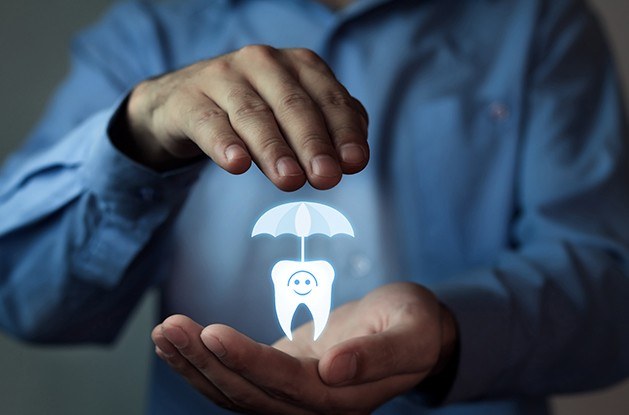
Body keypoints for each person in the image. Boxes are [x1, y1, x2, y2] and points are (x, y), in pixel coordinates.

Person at [1, 0, 628, 413]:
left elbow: (611, 288)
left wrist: (451, 327)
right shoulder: (153, 28)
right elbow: (22, 298)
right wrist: (135, 139)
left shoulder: (536, 21)